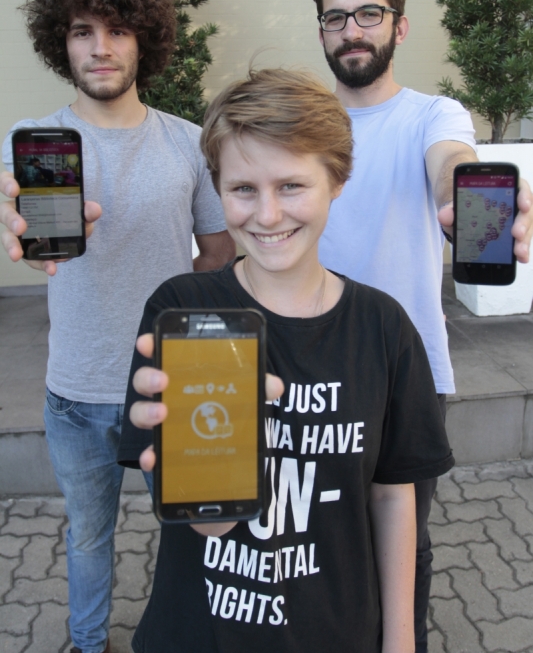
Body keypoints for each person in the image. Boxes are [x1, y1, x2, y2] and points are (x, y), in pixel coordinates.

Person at [118, 68, 454, 653]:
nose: (267, 216)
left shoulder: (383, 327)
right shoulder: (183, 310)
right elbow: (208, 522)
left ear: (337, 181)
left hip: (338, 631)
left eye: (291, 186)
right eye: (242, 189)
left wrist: (400, 643)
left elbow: (394, 493)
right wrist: (195, 461)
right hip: (202, 634)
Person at [0, 0, 235, 653]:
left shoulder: (190, 144)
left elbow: (218, 251)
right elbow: (17, 219)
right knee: (88, 534)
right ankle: (87, 640)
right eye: (81, 31)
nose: (99, 48)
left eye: (116, 30)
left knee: (185, 534)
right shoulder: (31, 143)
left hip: (169, 384)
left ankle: (178, 637)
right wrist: (18, 223)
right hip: (73, 391)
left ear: (144, 38)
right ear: (59, 41)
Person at [311, 0, 533, 652]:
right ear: (320, 30)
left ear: (397, 28)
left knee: (405, 541)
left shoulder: (434, 114)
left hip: (408, 373)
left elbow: (451, 161)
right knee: (312, 536)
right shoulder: (305, 122)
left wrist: (463, 195)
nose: (352, 30)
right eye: (335, 17)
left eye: (368, 13)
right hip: (309, 366)